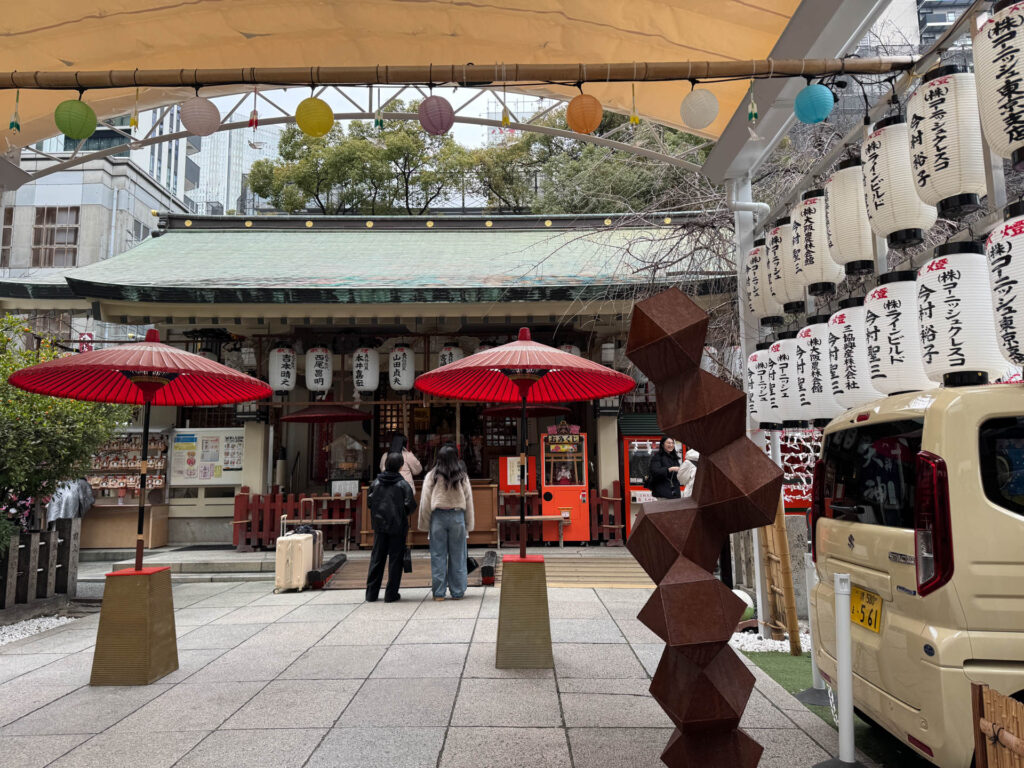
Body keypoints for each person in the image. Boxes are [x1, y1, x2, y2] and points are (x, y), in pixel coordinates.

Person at [418, 444, 475, 601]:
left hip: (438, 517)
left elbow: (425, 500)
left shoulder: (432, 475)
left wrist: (425, 522)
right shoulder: (462, 476)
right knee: (458, 555)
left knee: (438, 555)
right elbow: (469, 501)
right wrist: (469, 523)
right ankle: (457, 591)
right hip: (457, 517)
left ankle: (439, 593)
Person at [365, 452, 415, 603]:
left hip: (380, 526)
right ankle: (391, 594)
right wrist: (401, 513)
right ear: (400, 466)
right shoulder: (403, 485)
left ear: (386, 464)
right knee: (395, 560)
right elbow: (410, 505)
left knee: (377, 558)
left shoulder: (376, 483)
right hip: (398, 526)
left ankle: (371, 594)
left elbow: (369, 503)